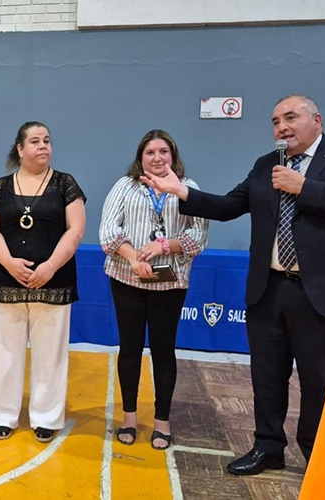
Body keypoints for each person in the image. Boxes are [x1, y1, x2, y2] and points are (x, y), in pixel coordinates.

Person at [142, 95, 325, 474]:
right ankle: (268, 447)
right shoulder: (267, 165)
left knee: (318, 378)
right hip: (269, 288)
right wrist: (181, 192)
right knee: (266, 374)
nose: (281, 127)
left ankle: (317, 452)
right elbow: (228, 206)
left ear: (316, 119)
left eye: (290, 117)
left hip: (321, 290)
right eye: (274, 121)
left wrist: (304, 187)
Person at [99, 129, 208, 449]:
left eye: (164, 152)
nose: (158, 158)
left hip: (170, 282)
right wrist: (133, 257)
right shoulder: (125, 186)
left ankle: (162, 422)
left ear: (173, 156)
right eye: (150, 153)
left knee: (163, 351)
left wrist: (165, 247)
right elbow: (108, 229)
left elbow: (198, 235)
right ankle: (129, 418)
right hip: (126, 278)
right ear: (140, 157)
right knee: (129, 349)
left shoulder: (188, 189)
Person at [0, 121, 86, 443]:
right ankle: (2, 415)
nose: (43, 146)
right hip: (6, 279)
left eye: (47, 141)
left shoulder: (65, 184)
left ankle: (46, 417)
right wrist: (10, 264)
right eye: (35, 141)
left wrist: (51, 266)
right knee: (4, 352)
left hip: (53, 282)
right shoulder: (1, 187)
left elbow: (76, 230)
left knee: (49, 354)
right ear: (20, 149)